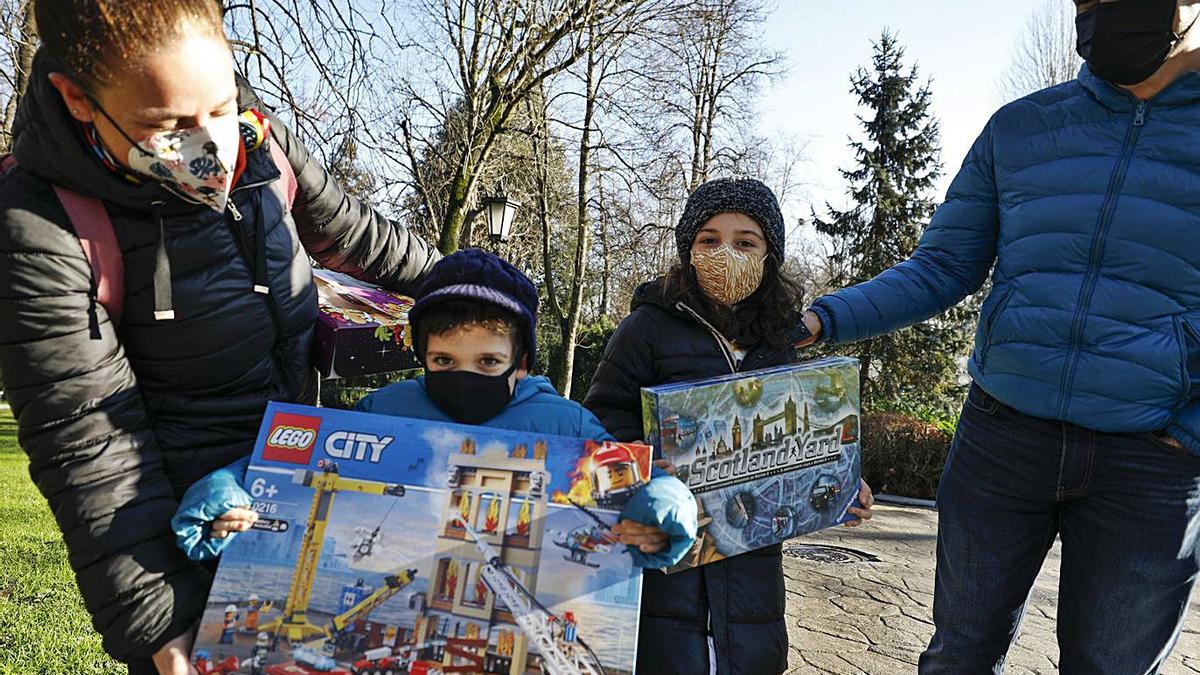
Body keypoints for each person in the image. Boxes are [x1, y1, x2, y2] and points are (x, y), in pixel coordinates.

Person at [0, 1, 438, 673]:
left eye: (221, 103)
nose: (211, 144)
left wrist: (470, 284)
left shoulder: (256, 140)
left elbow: (352, 234)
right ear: (78, 100)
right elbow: (87, 443)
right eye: (167, 124)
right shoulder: (41, 227)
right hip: (198, 544)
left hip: (307, 497)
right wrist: (159, 625)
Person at [799, 1, 1200, 671]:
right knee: (957, 656)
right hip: (1002, 443)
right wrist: (822, 318)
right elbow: (942, 265)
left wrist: (1191, 430)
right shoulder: (1021, 129)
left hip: (1150, 467)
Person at [175, 249, 698, 569]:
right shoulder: (382, 413)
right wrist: (231, 489)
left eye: (488, 360)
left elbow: (632, 486)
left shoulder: (564, 425)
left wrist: (661, 508)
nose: (464, 375)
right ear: (421, 355)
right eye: (444, 359)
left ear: (521, 363)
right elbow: (297, 470)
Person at [584, 177, 875, 675]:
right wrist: (645, 471)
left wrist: (838, 475)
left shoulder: (779, 339)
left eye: (746, 242)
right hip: (669, 557)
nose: (726, 253)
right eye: (709, 240)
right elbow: (603, 417)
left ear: (769, 255)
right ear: (688, 250)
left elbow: (799, 430)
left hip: (753, 566)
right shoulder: (648, 328)